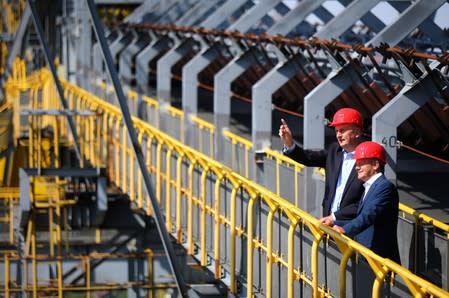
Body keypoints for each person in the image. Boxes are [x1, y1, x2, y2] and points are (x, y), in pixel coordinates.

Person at [279, 107, 364, 222]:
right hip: (328, 223)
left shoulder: (369, 158)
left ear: (357, 133)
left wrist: (335, 217)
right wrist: (290, 144)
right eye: (336, 131)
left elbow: (364, 201)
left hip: (352, 228)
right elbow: (308, 157)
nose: (338, 135)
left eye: (342, 130)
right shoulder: (334, 150)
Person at [330, 141, 400, 263]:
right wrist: (333, 222)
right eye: (356, 163)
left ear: (375, 164)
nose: (356, 167)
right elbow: (360, 217)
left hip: (378, 258)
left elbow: (368, 216)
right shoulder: (369, 186)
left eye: (361, 163)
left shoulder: (385, 187)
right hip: (367, 255)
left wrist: (345, 229)